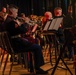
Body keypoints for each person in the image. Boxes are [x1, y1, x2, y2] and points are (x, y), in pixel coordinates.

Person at [3, 4, 48, 74]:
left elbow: (17, 31)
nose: (17, 14)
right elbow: (23, 30)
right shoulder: (11, 22)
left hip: (13, 44)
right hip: (16, 45)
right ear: (11, 12)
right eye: (16, 12)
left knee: (31, 43)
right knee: (37, 47)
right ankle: (38, 68)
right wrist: (25, 23)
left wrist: (20, 24)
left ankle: (31, 67)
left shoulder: (6, 21)